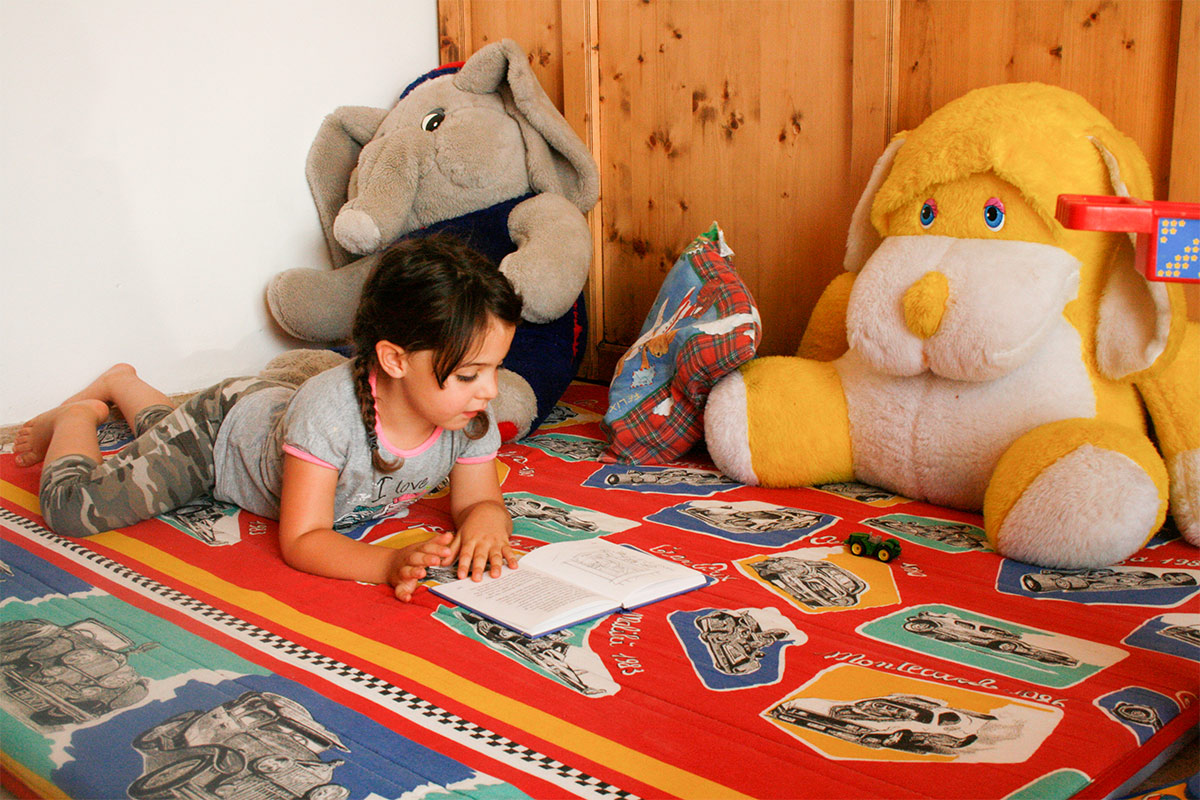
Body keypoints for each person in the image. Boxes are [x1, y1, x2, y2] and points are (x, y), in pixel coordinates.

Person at [14, 235, 523, 601]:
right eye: (469, 374)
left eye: (496, 369)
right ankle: (76, 417)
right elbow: (303, 539)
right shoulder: (331, 413)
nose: (491, 390)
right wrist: (385, 562)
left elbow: (479, 499)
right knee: (72, 510)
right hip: (215, 436)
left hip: (268, 418)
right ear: (393, 360)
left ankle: (122, 381)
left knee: (156, 438)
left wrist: (486, 522)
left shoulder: (469, 413)